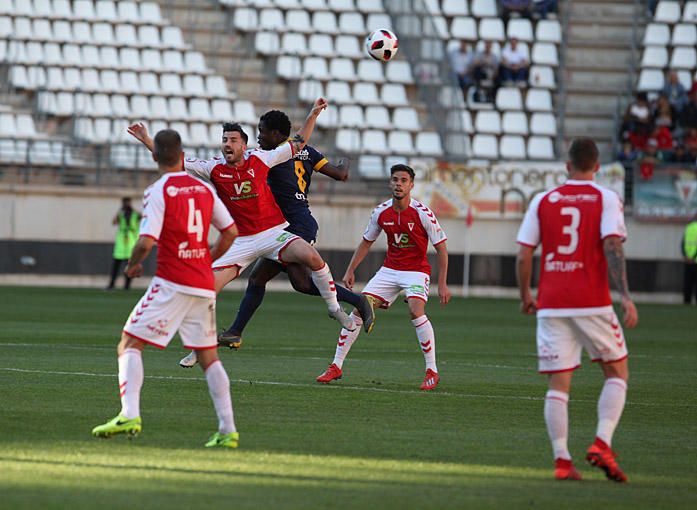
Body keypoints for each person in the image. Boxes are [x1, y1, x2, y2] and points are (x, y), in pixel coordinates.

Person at [128, 99, 356, 337]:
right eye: (224, 139)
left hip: (272, 233)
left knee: (312, 257)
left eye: (233, 140)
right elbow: (174, 161)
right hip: (241, 240)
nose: (227, 144)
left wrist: (312, 115)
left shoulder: (260, 159)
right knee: (206, 288)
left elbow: (298, 143)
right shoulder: (212, 168)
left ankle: (334, 309)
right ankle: (200, 343)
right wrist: (146, 139)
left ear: (244, 145)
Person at [179, 109, 376, 368]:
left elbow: (267, 157)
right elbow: (340, 174)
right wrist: (345, 160)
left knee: (298, 282)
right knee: (269, 279)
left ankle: (355, 300)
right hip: (283, 225)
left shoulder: (267, 157)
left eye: (262, 132)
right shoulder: (307, 152)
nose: (259, 137)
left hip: (288, 227)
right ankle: (235, 332)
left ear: (276, 134)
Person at [91, 129, 241, 448]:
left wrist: (133, 265)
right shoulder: (203, 189)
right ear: (182, 153)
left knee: (129, 343)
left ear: (155, 155)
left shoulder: (158, 191)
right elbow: (230, 232)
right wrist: (206, 259)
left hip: (173, 279)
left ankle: (129, 413)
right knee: (208, 357)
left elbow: (146, 241)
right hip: (202, 282)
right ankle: (227, 430)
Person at [516, 137, 638, 482]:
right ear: (597, 167)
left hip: (551, 303)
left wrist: (526, 294)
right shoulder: (606, 198)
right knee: (617, 373)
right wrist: (625, 296)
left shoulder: (544, 200)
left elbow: (524, 254)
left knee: (559, 384)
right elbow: (613, 244)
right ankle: (601, 442)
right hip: (593, 301)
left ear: (567, 166)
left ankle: (562, 461)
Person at [316, 164, 451, 391]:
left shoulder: (422, 213)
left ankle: (432, 371)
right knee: (359, 309)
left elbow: (442, 248)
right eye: (395, 180)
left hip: (416, 271)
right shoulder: (381, 212)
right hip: (390, 270)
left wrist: (443, 283)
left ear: (411, 185)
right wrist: (350, 270)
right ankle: (336, 366)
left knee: (416, 310)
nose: (398, 184)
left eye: (403, 180)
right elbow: (366, 242)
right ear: (390, 183)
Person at [106, 197, 140, 290]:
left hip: (131, 244)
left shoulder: (134, 214)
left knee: (130, 266)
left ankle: (127, 286)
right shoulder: (120, 214)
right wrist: (119, 212)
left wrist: (133, 209)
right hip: (121, 245)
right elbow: (114, 222)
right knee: (115, 267)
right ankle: (112, 284)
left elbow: (143, 216)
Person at [682, 214, 697, 304]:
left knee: (687, 283)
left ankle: (686, 301)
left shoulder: (688, 228)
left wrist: (686, 256)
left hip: (688, 261)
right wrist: (693, 257)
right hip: (695, 260)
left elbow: (683, 244)